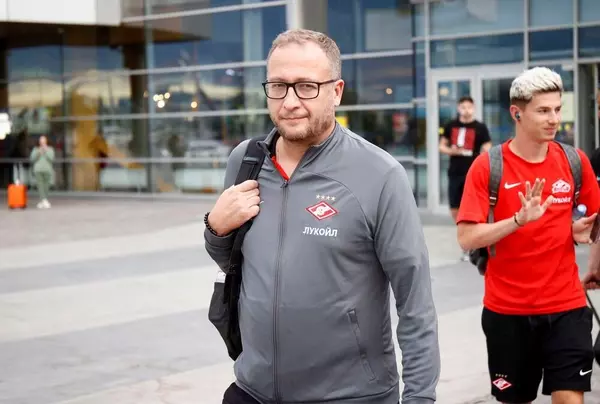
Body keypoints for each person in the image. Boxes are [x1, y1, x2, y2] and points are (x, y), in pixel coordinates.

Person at [204, 29, 440, 404]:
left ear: (337, 91)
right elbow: (240, 263)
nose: (290, 102)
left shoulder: (379, 174)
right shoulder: (246, 162)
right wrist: (215, 229)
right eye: (278, 86)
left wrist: (420, 398)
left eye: (306, 87)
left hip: (349, 396)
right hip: (252, 389)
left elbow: (416, 304)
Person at [456, 66, 600, 404]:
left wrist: (581, 231)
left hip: (567, 305)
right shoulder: (488, 166)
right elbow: (467, 237)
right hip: (507, 311)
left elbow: (596, 219)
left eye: (558, 109)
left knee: (570, 397)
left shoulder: (574, 161)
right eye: (543, 111)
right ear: (516, 113)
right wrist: (518, 220)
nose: (554, 119)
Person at [439, 96, 492, 261]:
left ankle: (473, 245)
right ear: (458, 108)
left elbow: (487, 146)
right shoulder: (451, 125)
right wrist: (452, 151)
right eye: (463, 107)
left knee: (473, 209)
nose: (466, 110)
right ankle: (466, 235)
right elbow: (442, 146)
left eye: (469, 107)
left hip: (473, 173)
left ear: (473, 108)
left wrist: (482, 156)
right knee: (454, 208)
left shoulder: (480, 127)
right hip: (455, 172)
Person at [30, 135, 55, 209]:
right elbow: (32, 159)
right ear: (39, 141)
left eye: (44, 140)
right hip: (38, 170)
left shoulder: (50, 149)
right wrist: (38, 152)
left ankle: (43, 200)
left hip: (47, 170)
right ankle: (44, 200)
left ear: (46, 141)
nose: (42, 142)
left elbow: (51, 159)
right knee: (40, 186)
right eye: (41, 140)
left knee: (47, 185)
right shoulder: (36, 149)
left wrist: (46, 151)